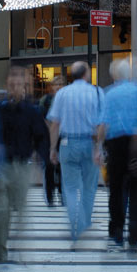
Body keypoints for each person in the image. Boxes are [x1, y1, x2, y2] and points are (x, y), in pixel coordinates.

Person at [0, 65, 49, 263]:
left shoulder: (32, 112)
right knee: (0, 212)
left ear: (24, 86)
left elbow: (41, 136)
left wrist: (43, 158)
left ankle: (18, 246)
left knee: (20, 209)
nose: (14, 87)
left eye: (18, 84)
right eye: (11, 83)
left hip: (22, 166)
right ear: (7, 85)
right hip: (2, 166)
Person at [48, 61, 104, 249]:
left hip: (67, 143)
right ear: (86, 74)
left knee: (70, 188)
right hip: (90, 143)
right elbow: (102, 124)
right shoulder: (96, 92)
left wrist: (52, 148)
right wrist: (99, 148)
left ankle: (73, 223)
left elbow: (55, 124)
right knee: (89, 187)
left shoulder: (62, 94)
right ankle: (83, 223)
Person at [101, 59, 137, 251]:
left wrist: (99, 148)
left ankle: (117, 228)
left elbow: (103, 123)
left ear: (115, 75)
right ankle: (135, 233)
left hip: (116, 144)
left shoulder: (109, 94)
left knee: (116, 189)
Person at [39, 76, 65, 206]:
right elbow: (42, 118)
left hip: (64, 138)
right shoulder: (45, 100)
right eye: (56, 84)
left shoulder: (66, 99)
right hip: (47, 138)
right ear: (51, 87)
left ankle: (62, 194)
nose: (58, 86)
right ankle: (50, 196)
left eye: (60, 84)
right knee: (49, 167)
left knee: (62, 168)